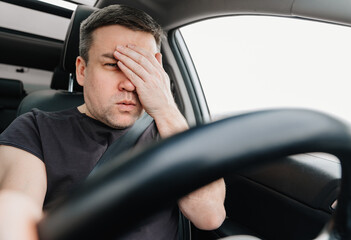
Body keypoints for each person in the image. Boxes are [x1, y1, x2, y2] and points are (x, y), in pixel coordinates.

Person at [0, 4, 226, 240]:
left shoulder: (171, 133)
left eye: (140, 68)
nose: (128, 84)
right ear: (82, 70)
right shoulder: (35, 128)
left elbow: (209, 215)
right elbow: (17, 216)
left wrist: (166, 107)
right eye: (113, 65)